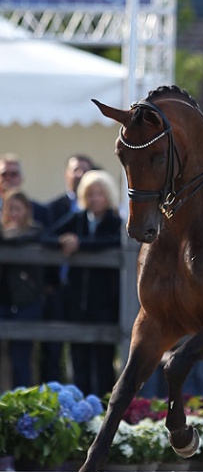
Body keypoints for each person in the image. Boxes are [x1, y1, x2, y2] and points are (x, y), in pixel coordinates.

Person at [42, 170, 121, 397]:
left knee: (104, 362)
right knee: (79, 361)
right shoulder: (77, 218)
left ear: (108, 196)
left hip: (106, 302)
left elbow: (114, 241)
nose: (96, 198)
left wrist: (80, 244)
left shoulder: (115, 222)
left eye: (100, 194)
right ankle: (80, 409)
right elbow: (45, 236)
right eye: (91, 194)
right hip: (77, 302)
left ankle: (105, 411)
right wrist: (61, 240)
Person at [0, 190, 45, 388]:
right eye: (9, 209)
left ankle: (23, 401)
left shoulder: (35, 232)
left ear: (27, 211)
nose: (13, 214)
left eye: (17, 209)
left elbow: (19, 241)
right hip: (4, 299)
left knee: (21, 357)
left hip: (26, 300)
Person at [0, 153, 49, 227]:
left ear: (21, 179)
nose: (8, 178)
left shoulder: (39, 211)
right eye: (4, 174)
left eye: (13, 174)